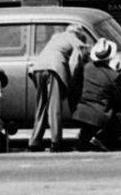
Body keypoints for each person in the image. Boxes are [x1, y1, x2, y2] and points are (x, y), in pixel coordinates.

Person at [27, 23, 87, 153]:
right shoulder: (75, 40)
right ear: (78, 34)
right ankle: (56, 142)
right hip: (54, 68)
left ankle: (34, 141)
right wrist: (71, 82)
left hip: (37, 68)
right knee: (54, 107)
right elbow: (75, 63)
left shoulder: (56, 38)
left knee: (41, 107)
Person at [72, 38, 121, 152]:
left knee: (91, 120)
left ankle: (83, 140)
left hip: (81, 112)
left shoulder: (87, 67)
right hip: (100, 115)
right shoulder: (114, 76)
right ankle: (102, 139)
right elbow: (119, 100)